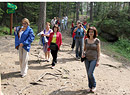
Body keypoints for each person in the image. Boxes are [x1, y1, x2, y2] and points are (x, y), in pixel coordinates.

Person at [82, 27, 100, 92]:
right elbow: (84, 49)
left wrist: (98, 61)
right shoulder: (86, 40)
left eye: (92, 32)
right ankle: (90, 87)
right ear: (88, 33)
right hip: (86, 58)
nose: (91, 33)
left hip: (94, 59)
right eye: (90, 32)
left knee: (90, 73)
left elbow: (98, 51)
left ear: (94, 33)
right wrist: (83, 54)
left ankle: (94, 85)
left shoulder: (97, 40)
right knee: (88, 73)